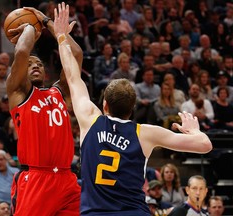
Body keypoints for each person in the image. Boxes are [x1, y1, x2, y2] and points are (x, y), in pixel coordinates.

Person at [54, 2, 212, 215]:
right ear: (133, 108)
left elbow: (73, 77)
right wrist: (193, 130)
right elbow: (205, 145)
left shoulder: (90, 119)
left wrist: (61, 37)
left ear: (104, 105)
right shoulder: (145, 133)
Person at [5, 3, 83, 214]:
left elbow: (76, 56)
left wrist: (53, 27)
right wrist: (32, 23)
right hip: (36, 178)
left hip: (67, 178)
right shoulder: (18, 92)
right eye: (30, 64)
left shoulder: (59, 93)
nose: (36, 65)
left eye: (38, 63)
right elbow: (22, 50)